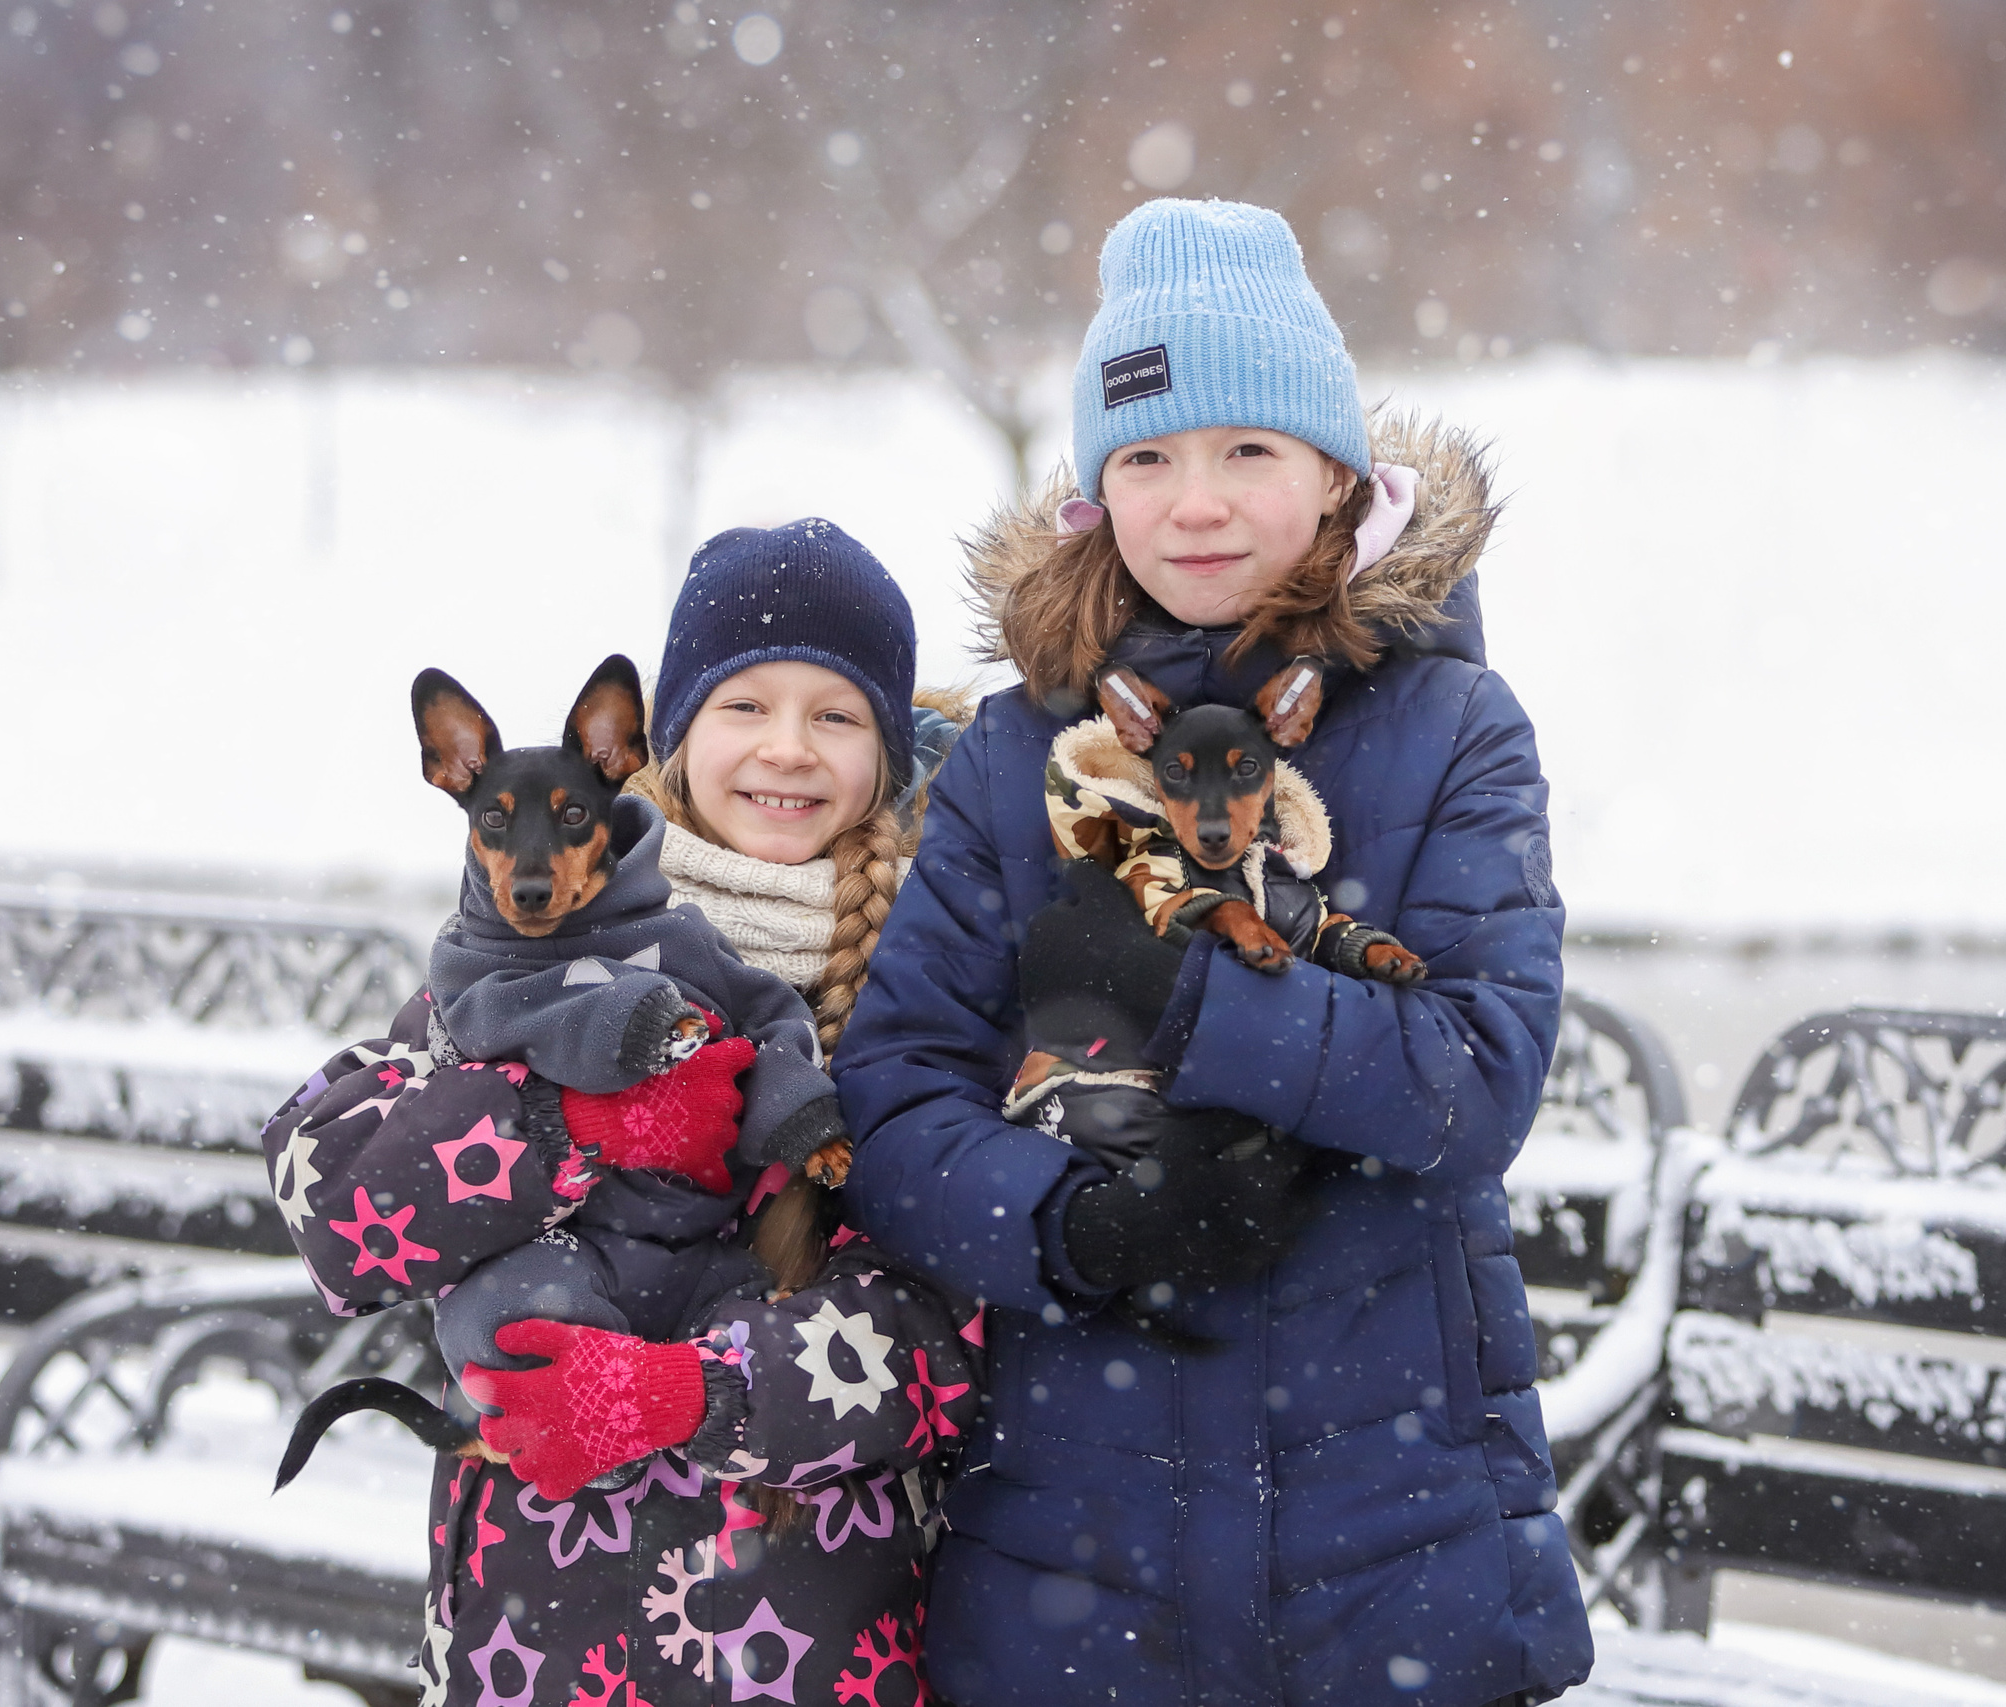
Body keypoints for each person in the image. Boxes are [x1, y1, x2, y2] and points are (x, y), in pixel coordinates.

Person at [835, 199, 1595, 1706]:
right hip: (1072, 1558)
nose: (1197, 503)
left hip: (1397, 1555)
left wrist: (1190, 992)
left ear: (1333, 472)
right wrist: (1078, 1227)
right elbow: (897, 1096)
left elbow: (1473, 1085)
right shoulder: (1013, 756)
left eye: (1248, 449)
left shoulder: (1454, 730)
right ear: (1096, 491)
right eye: (1148, 457)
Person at [263, 519, 979, 1707]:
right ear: (667, 737)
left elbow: (950, 1351)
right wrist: (565, 1126)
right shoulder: (522, 954)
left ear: (889, 748)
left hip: (802, 1642)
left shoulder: (936, 985)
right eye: (744, 707)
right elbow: (333, 1205)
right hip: (534, 1642)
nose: (786, 751)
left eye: (837, 715)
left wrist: (694, 1394)